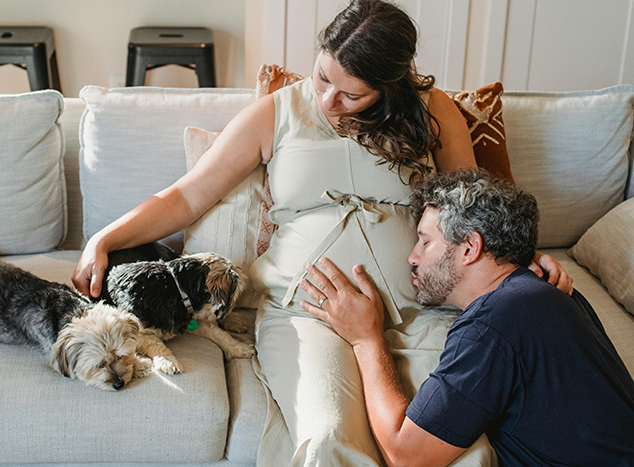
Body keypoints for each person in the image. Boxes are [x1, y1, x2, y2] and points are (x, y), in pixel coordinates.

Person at [73, 1, 572, 464]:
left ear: (389, 87)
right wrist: (104, 239)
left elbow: (474, 211)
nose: (328, 100)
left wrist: (523, 263)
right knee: (331, 436)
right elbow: (187, 195)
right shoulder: (277, 113)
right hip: (308, 313)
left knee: (462, 450)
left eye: (351, 93)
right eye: (322, 78)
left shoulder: (432, 110)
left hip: (424, 310)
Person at [300, 168, 634, 467]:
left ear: (470, 248)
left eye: (425, 242)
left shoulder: (493, 323)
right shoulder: (549, 294)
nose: (412, 258)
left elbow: (406, 456)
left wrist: (365, 338)